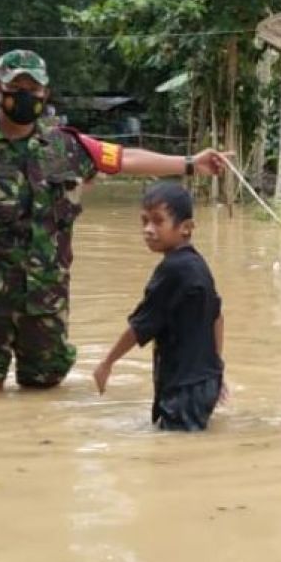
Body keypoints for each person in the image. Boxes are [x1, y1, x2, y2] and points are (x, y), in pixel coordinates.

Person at [0, 49, 230, 391]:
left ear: (44, 93)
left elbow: (125, 158)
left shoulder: (69, 148)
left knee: (43, 395)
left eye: (33, 88)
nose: (25, 95)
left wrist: (189, 163)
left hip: (46, 302)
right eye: (16, 85)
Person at [93, 182, 225, 431]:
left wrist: (106, 363)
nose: (148, 230)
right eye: (144, 221)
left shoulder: (173, 270)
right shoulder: (197, 264)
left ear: (186, 228)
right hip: (203, 382)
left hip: (184, 389)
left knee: (175, 457)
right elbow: (218, 316)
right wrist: (216, 370)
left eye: (157, 222)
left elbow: (140, 325)